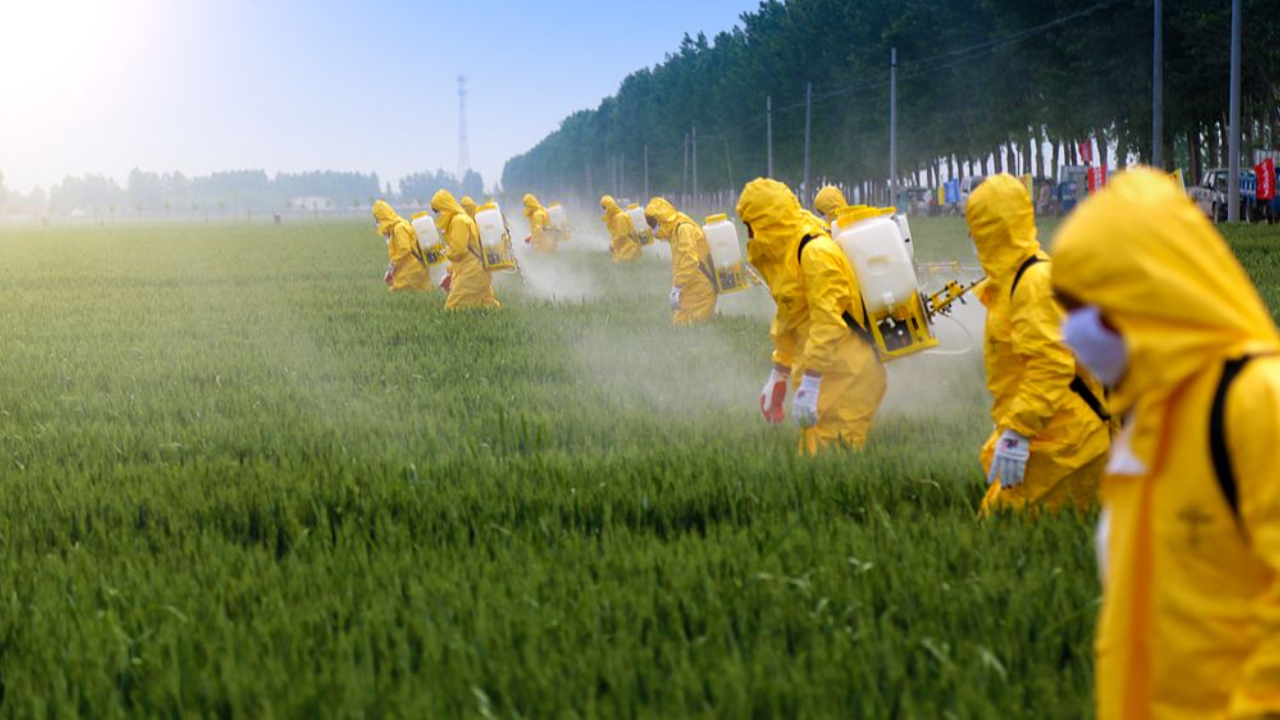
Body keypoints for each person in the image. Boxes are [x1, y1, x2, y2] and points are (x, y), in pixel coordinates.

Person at [1052, 168, 1280, 720]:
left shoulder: (1256, 402)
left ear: (1146, 293)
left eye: (1087, 307)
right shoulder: (1149, 419)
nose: (1072, 332)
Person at [965, 173, 1110, 513]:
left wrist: (1018, 431)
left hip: (1067, 443)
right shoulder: (1011, 281)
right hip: (1048, 434)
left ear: (993, 229)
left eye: (976, 226)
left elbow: (1051, 366)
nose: (972, 237)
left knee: (1002, 533)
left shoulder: (1033, 283)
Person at [737, 178, 887, 453]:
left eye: (749, 225)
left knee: (832, 469)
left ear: (767, 222)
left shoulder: (814, 252)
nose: (747, 234)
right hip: (827, 375)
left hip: (848, 377)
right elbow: (790, 316)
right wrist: (779, 372)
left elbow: (828, 322)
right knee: (814, 461)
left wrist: (811, 381)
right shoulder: (788, 255)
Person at [644, 197, 716, 325]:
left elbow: (690, 261)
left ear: (662, 218)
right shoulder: (674, 232)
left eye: (653, 224)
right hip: (690, 288)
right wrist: (678, 288)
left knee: (693, 329)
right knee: (679, 328)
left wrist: (677, 287)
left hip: (701, 290)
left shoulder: (683, 229)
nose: (652, 229)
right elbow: (680, 265)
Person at [431, 189, 499, 310]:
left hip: (471, 272)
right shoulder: (459, 220)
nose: (437, 215)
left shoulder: (459, 221)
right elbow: (465, 252)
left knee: (454, 308)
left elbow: (458, 251)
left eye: (437, 211)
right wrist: (449, 272)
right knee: (487, 306)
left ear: (445, 207)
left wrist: (445, 251)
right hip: (478, 269)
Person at [371, 200, 433, 292]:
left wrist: (392, 266)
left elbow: (404, 249)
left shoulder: (398, 228)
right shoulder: (397, 227)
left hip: (412, 270)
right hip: (414, 269)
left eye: (377, 219)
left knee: (396, 293)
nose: (378, 223)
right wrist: (392, 271)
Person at [600, 195, 641, 263]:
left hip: (631, 248)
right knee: (615, 261)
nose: (603, 210)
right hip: (627, 247)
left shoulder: (619, 217)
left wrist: (612, 246)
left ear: (609, 207)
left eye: (604, 207)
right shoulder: (614, 218)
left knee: (618, 262)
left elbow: (622, 236)